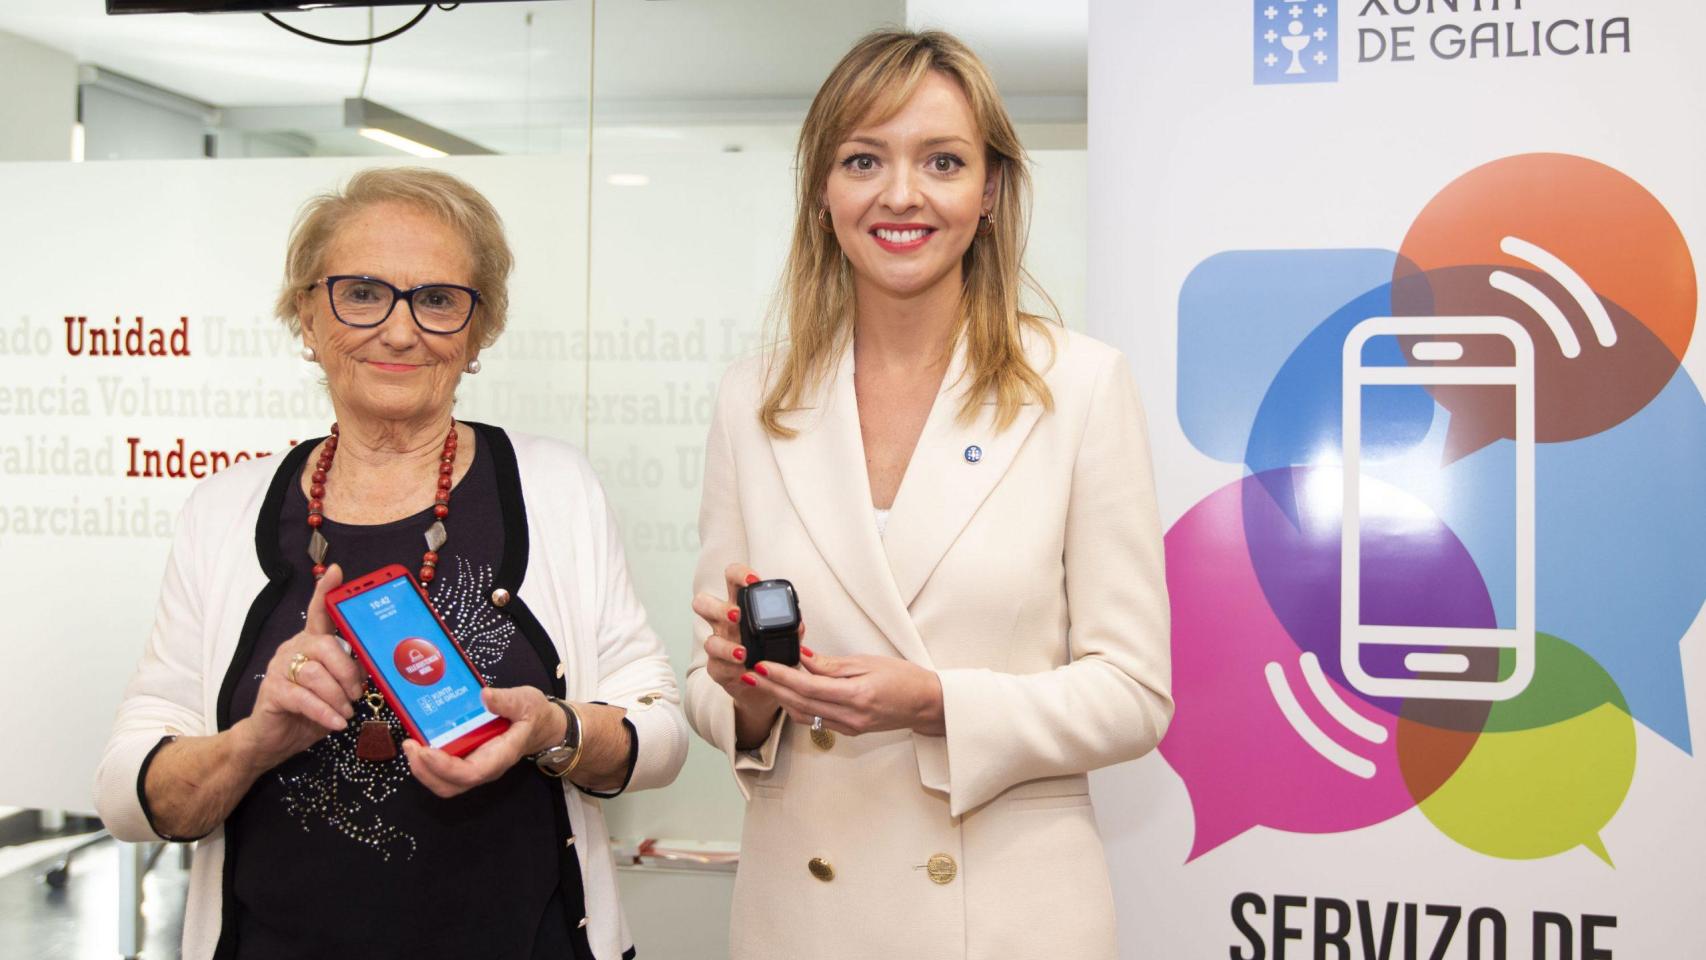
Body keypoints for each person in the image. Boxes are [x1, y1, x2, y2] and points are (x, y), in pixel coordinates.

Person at [94, 167, 686, 960]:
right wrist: (257, 742)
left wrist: (553, 728)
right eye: (363, 292)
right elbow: (132, 798)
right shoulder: (222, 510)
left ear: (477, 333)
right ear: (307, 313)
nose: (400, 331)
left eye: (438, 299)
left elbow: (661, 732)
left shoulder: (554, 487)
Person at [684, 29, 1174, 960]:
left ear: (988, 192)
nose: (900, 194)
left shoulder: (1079, 386)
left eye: (941, 161)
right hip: (802, 917)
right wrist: (744, 690)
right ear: (823, 193)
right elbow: (716, 693)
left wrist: (936, 702)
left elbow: (1134, 695)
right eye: (864, 159)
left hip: (1006, 919)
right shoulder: (754, 397)